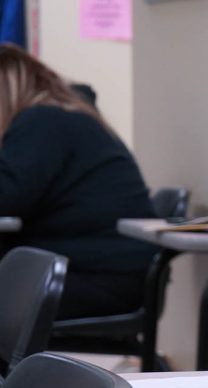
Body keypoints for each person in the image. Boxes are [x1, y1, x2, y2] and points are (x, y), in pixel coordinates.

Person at [0, 43, 158, 320]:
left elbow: (7, 197)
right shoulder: (62, 117)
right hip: (97, 271)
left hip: (100, 279)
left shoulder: (44, 122)